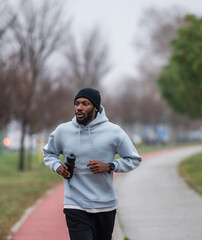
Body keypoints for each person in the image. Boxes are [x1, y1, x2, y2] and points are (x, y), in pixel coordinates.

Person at [43, 87, 142, 240]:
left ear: (96, 107)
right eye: (76, 103)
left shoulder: (114, 132)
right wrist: (57, 166)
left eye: (85, 103)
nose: (79, 107)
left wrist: (110, 166)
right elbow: (49, 153)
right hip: (75, 204)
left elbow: (134, 159)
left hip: (105, 205)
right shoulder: (63, 131)